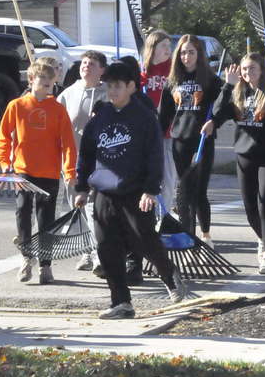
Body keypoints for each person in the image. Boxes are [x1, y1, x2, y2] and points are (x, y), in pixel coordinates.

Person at [74, 62, 190, 319]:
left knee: (144, 240)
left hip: (136, 191)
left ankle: (169, 275)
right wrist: (81, 187)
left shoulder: (144, 117)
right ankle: (121, 302)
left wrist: (151, 190)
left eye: (117, 86)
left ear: (131, 87)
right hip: (104, 192)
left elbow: (154, 156)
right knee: (107, 248)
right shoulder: (100, 116)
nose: (112, 91)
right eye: (108, 86)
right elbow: (87, 154)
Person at [0, 59, 77, 284]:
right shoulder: (17, 106)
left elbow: (68, 144)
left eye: (49, 86)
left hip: (49, 172)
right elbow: (4, 137)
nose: (45, 89)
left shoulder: (58, 110)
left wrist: (69, 171)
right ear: (31, 80)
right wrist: (5, 163)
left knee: (46, 220)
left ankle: (45, 265)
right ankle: (26, 257)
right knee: (22, 212)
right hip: (23, 169)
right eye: (41, 84)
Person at [214, 54, 265, 275]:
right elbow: (218, 113)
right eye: (244, 70)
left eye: (252, 69)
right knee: (249, 209)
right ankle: (262, 238)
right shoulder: (238, 92)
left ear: (261, 69)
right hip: (244, 155)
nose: (248, 74)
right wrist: (227, 86)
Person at [158, 35, 222, 243]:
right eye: (183, 52)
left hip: (202, 141)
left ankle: (205, 235)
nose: (187, 56)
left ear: (199, 54)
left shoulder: (211, 81)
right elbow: (164, 115)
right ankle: (188, 237)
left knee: (199, 191)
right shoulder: (172, 81)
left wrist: (214, 122)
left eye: (191, 52)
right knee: (184, 192)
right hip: (180, 141)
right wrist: (154, 139)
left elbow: (223, 108)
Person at [57, 50, 107, 273]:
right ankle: (86, 252)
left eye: (93, 63)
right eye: (84, 63)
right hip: (72, 160)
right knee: (77, 207)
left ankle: (100, 255)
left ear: (102, 69)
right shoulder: (68, 93)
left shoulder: (108, 93)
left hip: (101, 162)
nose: (87, 66)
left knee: (94, 209)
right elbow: (55, 121)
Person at [140, 30, 176, 200]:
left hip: (168, 130)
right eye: (163, 45)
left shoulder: (174, 69)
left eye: (169, 45)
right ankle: (148, 214)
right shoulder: (143, 71)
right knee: (147, 174)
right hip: (147, 131)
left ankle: (165, 216)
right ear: (152, 48)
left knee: (167, 176)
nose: (168, 49)